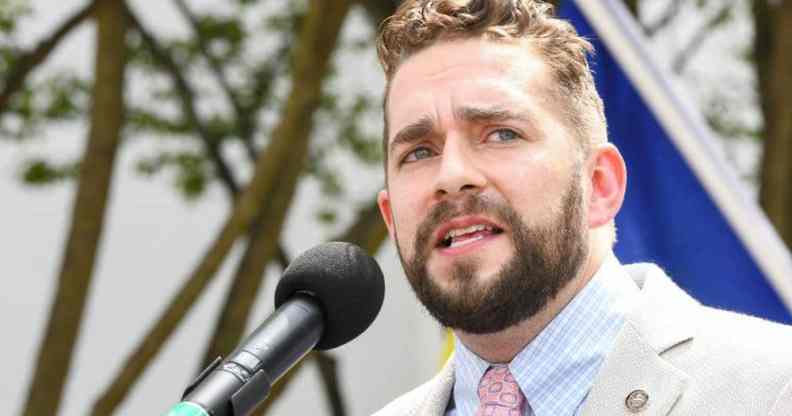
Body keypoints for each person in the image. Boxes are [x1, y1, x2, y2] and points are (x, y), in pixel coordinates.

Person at [371, 0, 792, 415]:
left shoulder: (774, 388)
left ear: (599, 185)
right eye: (419, 152)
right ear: (392, 220)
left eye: (501, 134)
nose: (451, 175)